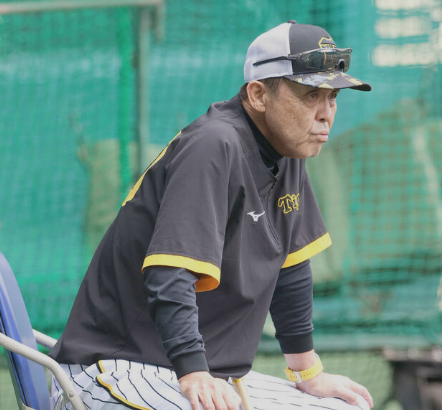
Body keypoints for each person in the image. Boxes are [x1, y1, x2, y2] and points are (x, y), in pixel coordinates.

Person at [50, 20, 374, 410]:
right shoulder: (213, 144)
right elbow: (169, 275)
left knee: (344, 406)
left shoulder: (288, 150)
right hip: (119, 365)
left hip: (199, 371)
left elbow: (289, 270)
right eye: (310, 95)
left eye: (332, 97)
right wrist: (193, 371)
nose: (326, 115)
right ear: (258, 94)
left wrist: (308, 374)